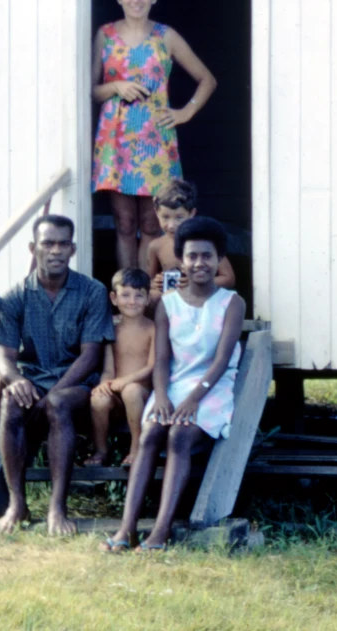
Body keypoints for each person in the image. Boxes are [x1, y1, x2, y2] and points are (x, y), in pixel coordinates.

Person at [100, 217, 246, 552]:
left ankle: (161, 531)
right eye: (192, 256)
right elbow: (162, 359)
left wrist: (194, 400)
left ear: (218, 258)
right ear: (180, 259)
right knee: (151, 432)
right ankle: (126, 530)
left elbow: (222, 360)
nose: (199, 263)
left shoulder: (231, 303)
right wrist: (162, 396)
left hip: (212, 387)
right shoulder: (168, 303)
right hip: (174, 384)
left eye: (207, 256)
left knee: (179, 435)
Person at [0, 215, 114, 535]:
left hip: (76, 383)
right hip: (33, 377)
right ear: (34, 248)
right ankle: (17, 503)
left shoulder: (92, 291)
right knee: (9, 402)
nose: (55, 250)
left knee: (57, 403)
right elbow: (5, 357)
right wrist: (16, 380)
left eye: (63, 244)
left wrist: (51, 394)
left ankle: (57, 508)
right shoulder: (16, 295)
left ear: (73, 249)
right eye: (48, 243)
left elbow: (90, 356)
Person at [91, 0, 217, 271]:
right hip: (115, 140)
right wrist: (116, 85)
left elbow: (207, 79)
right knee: (123, 222)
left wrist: (185, 113)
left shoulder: (165, 36)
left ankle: (146, 299)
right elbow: (91, 91)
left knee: (151, 223)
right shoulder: (105, 35)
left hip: (154, 141)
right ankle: (126, 299)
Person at [85, 268, 155, 468]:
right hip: (117, 392)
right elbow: (108, 368)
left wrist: (125, 382)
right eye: (125, 295)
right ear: (114, 298)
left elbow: (152, 366)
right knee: (98, 398)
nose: (132, 301)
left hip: (141, 394)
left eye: (139, 295)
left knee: (131, 391)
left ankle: (136, 448)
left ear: (148, 298)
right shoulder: (111, 329)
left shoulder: (152, 328)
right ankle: (101, 450)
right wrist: (103, 384)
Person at [147, 178, 235, 305]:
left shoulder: (204, 241)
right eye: (165, 217)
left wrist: (196, 282)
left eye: (179, 217)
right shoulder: (156, 246)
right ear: (156, 213)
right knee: (152, 297)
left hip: (202, 294)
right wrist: (156, 282)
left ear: (191, 213)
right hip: (172, 298)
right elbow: (149, 280)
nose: (171, 225)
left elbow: (229, 278)